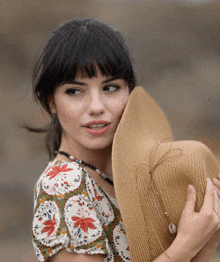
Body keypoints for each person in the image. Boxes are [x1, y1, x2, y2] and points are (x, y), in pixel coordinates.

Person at [31, 18, 220, 262]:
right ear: (51, 102)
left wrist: (207, 240)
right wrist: (183, 247)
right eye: (75, 91)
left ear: (129, 93)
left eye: (110, 88)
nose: (96, 107)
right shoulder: (65, 184)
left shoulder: (122, 177)